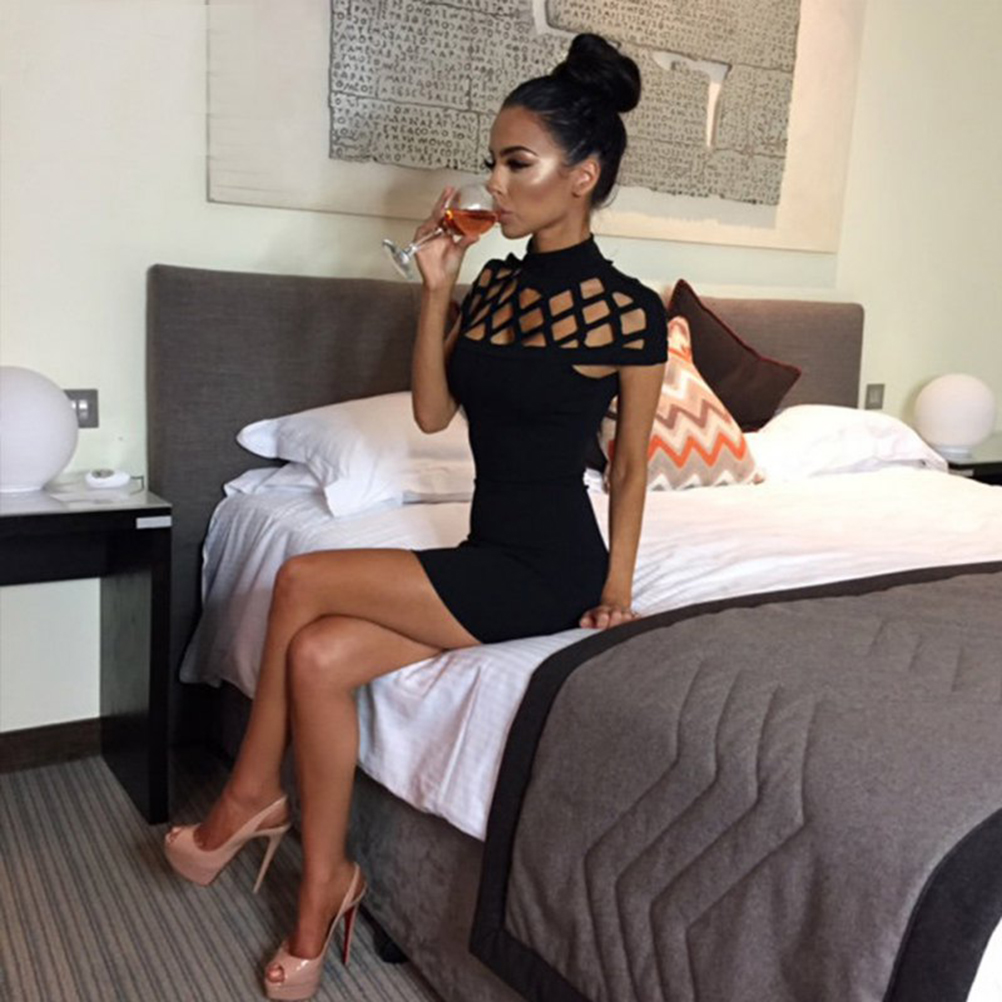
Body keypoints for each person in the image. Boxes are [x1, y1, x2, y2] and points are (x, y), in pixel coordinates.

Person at [163, 32, 667, 1001]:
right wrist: (436, 289)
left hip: (552, 567)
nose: (495, 184)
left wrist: (616, 588)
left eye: (518, 163)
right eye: (494, 162)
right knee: (318, 656)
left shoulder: (628, 311)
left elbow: (635, 462)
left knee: (304, 578)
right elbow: (434, 415)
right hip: (488, 549)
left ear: (583, 177)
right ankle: (326, 887)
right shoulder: (497, 286)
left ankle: (248, 800)